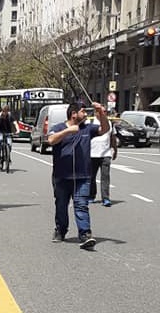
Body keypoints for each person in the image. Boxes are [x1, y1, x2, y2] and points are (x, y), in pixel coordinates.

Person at [47, 102, 109, 249]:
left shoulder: (88, 128)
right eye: (82, 111)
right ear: (73, 114)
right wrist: (68, 132)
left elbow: (104, 129)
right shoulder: (59, 128)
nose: (86, 113)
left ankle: (85, 234)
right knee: (61, 205)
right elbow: (50, 140)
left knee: (81, 205)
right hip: (62, 176)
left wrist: (101, 113)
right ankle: (61, 230)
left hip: (83, 176)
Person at [89, 119, 117, 207]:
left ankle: (105, 198)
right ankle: (91, 196)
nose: (103, 113)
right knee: (91, 177)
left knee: (105, 177)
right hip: (92, 154)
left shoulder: (109, 123)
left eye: (105, 111)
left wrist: (115, 150)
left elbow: (112, 137)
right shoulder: (90, 122)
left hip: (106, 154)